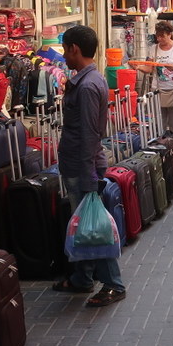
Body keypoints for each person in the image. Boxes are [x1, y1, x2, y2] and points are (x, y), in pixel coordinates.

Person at [53, 25, 127, 308]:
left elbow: (88, 135)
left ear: (75, 49)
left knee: (94, 226)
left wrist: (87, 177)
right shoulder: (89, 80)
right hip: (81, 164)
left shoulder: (86, 86)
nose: (63, 55)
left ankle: (113, 283)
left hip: (84, 167)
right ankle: (82, 278)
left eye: (65, 49)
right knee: (83, 224)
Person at [133, 21, 173, 135]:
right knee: (159, 122)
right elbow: (150, 68)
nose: (159, 39)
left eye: (162, 36)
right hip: (158, 89)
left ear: (169, 34)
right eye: (157, 36)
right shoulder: (154, 48)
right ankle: (161, 145)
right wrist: (139, 67)